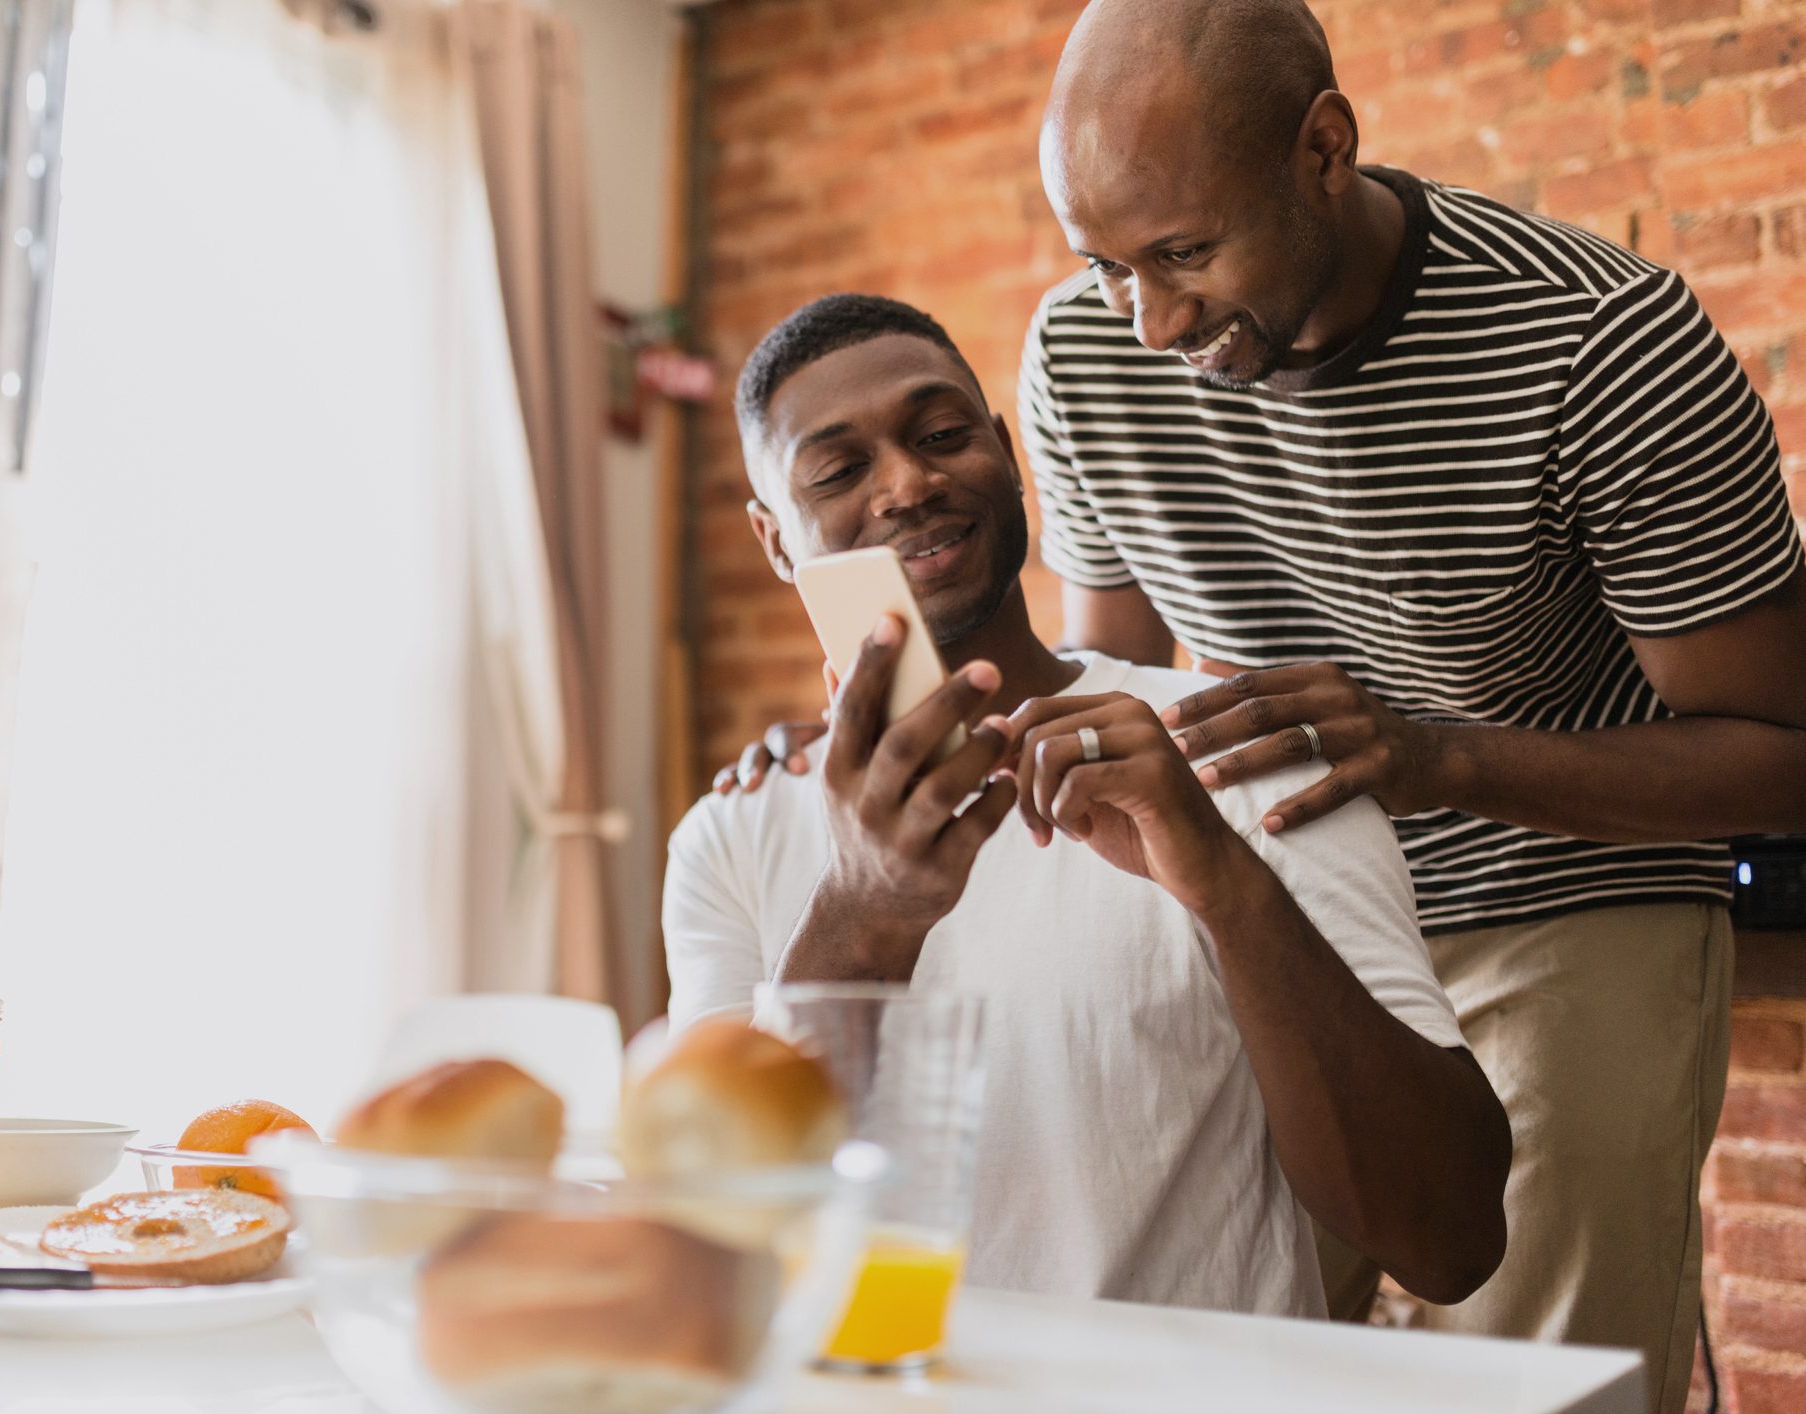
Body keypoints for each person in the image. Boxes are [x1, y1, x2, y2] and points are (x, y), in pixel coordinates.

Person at [715, 3, 1806, 1406]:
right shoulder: (1086, 353)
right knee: (1231, 1328)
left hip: (1556, 896)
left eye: (1181, 253)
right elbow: (1102, 672)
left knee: (1530, 1367)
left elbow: (1780, 754)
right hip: (1268, 891)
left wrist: (1441, 762)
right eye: (1105, 264)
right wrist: (846, 741)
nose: (1150, 322)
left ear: (1322, 149)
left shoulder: (1596, 339)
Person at [665, 292, 1511, 1316]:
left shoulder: (1230, 753)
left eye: (940, 435)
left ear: (1005, 453)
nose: (908, 484)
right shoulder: (733, 832)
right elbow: (708, 1242)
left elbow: (1450, 1235)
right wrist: (862, 914)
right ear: (773, 540)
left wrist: (1221, 883)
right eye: (840, 470)